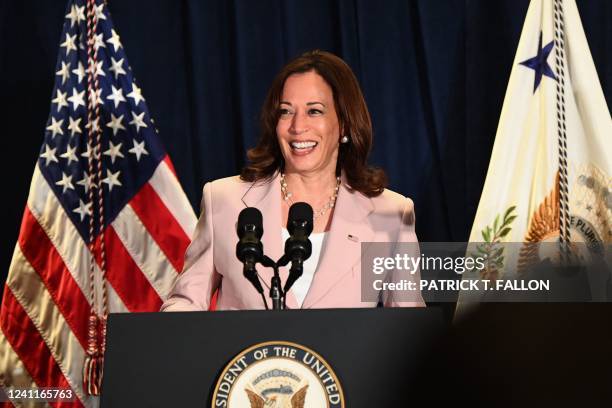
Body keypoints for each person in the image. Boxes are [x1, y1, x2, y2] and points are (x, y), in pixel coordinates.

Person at [161, 50, 424, 311]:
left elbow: (408, 326)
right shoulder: (224, 200)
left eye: (314, 111)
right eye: (286, 112)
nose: (297, 126)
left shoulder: (390, 215)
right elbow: (185, 304)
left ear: (344, 123)